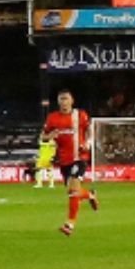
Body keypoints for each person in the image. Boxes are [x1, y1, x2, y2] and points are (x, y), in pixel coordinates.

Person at [43, 90, 94, 235]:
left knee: (73, 191)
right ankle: (90, 195)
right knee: (74, 192)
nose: (63, 102)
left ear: (72, 101)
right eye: (61, 99)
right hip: (64, 160)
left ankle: (69, 224)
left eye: (66, 99)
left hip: (80, 157)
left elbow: (90, 131)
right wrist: (49, 136)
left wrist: (87, 144)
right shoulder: (52, 118)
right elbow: (43, 136)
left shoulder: (80, 115)